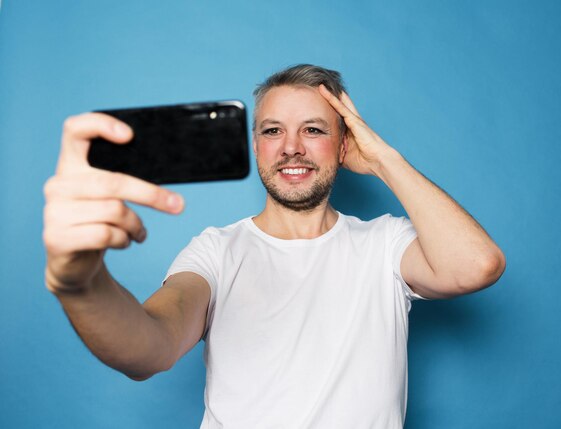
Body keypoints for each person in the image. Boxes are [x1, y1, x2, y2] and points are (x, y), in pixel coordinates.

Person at [43, 64, 506, 428]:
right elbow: (148, 349)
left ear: (345, 144)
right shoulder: (215, 251)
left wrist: (385, 160)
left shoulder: (385, 244)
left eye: (314, 129)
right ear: (256, 144)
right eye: (272, 130)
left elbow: (477, 265)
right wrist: (79, 284)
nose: (291, 147)